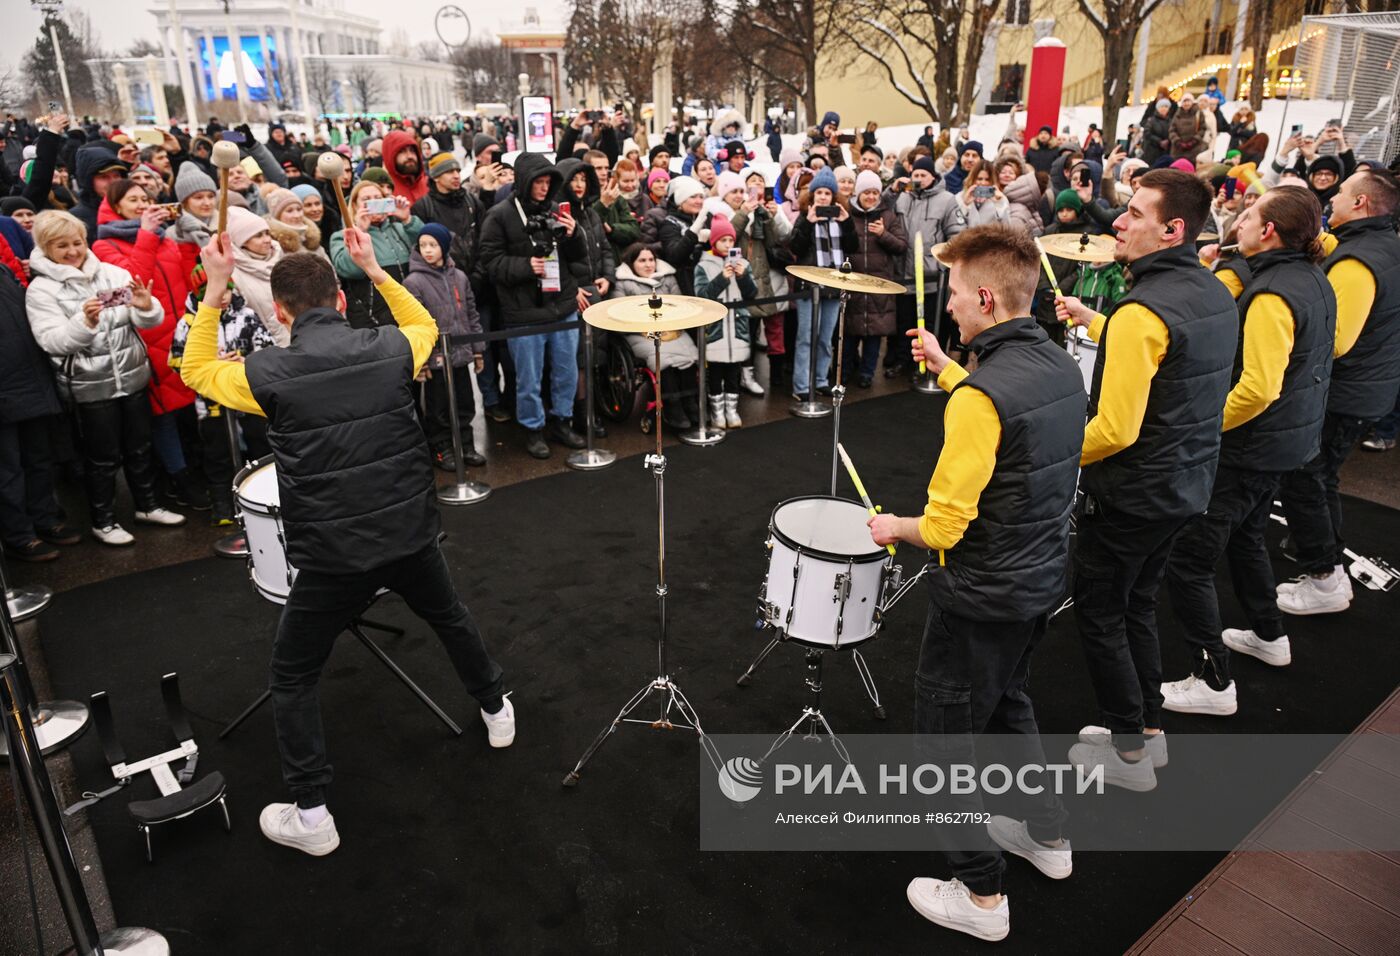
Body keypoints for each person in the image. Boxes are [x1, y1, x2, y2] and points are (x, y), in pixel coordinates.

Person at [179, 229, 511, 856]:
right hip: (408, 532)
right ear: (339, 299)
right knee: (449, 617)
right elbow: (427, 329)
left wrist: (217, 287)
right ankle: (496, 707)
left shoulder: (265, 372)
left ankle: (312, 816)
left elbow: (195, 369)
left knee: (293, 673)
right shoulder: (391, 347)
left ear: (279, 311)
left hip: (333, 554)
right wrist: (377, 272)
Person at [868, 224, 1083, 945]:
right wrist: (950, 368)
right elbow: (1012, 425)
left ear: (985, 296)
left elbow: (946, 527)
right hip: (1039, 579)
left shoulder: (980, 400)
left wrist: (895, 526)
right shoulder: (1058, 363)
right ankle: (1046, 836)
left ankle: (982, 895)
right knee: (1009, 706)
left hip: (981, 593)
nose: (949, 307)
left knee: (943, 744)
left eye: (956, 294)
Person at [1053, 170, 1238, 790]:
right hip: (1185, 487)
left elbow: (1114, 430)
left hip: (1133, 492)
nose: (1118, 223)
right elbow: (1171, 359)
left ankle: (1129, 753)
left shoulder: (1143, 310)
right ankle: (1145, 730)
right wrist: (1093, 320)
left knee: (1103, 613)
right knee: (1137, 604)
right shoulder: (1213, 291)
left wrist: (1047, 457)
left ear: (1172, 229)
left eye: (1134, 213)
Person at [1159, 187, 1335, 715]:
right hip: (1286, 443)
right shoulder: (1310, 278)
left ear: (1270, 231)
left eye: (1250, 215)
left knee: (1189, 561)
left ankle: (1213, 684)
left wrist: (1206, 427)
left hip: (1251, 449)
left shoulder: (1272, 294)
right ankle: (1268, 633)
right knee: (1246, 538)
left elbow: (1259, 387)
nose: (1240, 221)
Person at [1277, 169, 1400, 614]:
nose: (1331, 198)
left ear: (1362, 204)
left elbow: (1337, 339)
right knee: (1322, 477)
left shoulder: (1356, 263)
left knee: (1305, 478)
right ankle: (1324, 557)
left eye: (1342, 192)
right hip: (1369, 389)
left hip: (1344, 394)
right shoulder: (1382, 244)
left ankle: (1324, 579)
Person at [26, 210, 186, 545]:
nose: (72, 251)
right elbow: (51, 342)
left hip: (132, 376)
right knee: (101, 458)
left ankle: (148, 505)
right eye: (62, 246)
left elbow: (146, 320)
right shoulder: (41, 290)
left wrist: (146, 306)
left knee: (140, 448)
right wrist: (83, 323)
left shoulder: (112, 273)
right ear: (45, 247)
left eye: (77, 243)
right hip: (89, 387)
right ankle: (104, 520)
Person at [90, 178, 206, 510]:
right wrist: (145, 234)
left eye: (145, 198)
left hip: (180, 335)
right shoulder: (104, 246)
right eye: (132, 200)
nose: (142, 204)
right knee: (163, 416)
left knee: (189, 411)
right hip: (147, 339)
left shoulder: (163, 238)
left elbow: (186, 279)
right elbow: (131, 287)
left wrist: (185, 237)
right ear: (114, 207)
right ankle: (179, 480)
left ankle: (195, 471)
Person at [478, 153, 589, 459]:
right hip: (523, 312)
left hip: (561, 304)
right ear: (525, 182)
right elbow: (489, 262)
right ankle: (533, 429)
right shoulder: (499, 215)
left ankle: (562, 422)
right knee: (528, 378)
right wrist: (527, 266)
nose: (543, 188)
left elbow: (578, 257)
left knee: (565, 372)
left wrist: (573, 233)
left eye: (547, 182)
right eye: (538, 182)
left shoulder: (556, 210)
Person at [167, 263, 276, 525]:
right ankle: (223, 506)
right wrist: (210, 363)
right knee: (217, 456)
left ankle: (263, 502)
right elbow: (176, 360)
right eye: (212, 291)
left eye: (227, 290)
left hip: (247, 401)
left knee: (260, 449)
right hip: (212, 405)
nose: (223, 296)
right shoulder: (188, 323)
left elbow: (267, 348)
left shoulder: (246, 315)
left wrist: (245, 361)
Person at [0, 247, 79, 561]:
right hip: (6, 388)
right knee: (8, 470)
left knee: (39, 459)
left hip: (29, 383)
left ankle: (45, 519)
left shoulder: (4, 272)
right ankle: (20, 535)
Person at [403, 223, 487, 471]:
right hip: (436, 359)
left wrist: (477, 349)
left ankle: (466, 445)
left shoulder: (459, 277)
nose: (427, 250)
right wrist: (422, 361)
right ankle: (442, 449)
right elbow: (413, 324)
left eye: (433, 245)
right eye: (423, 245)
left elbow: (471, 313)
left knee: (465, 403)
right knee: (437, 409)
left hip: (460, 354)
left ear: (444, 247)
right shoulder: (413, 282)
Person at [886, 156, 966, 371]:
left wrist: (940, 260)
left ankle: (927, 366)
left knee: (929, 325)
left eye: (923, 175)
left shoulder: (947, 200)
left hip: (931, 277)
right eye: (915, 175)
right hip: (903, 273)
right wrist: (892, 190)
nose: (919, 179)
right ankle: (904, 362)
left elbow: (958, 235)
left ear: (933, 176)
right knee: (904, 324)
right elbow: (881, 209)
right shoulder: (902, 198)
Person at [787, 167, 856, 401]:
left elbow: (853, 247)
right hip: (809, 288)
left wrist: (846, 223)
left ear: (834, 196)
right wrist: (808, 222)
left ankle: (820, 380)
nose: (824, 197)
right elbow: (795, 248)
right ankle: (801, 385)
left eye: (828, 193)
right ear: (813, 195)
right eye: (820, 193)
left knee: (827, 337)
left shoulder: (840, 217)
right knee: (806, 337)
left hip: (834, 287)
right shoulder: (804, 216)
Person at [614, 243, 699, 430]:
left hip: (671, 328)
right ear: (631, 263)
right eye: (642, 260)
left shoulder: (667, 278)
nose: (648, 264)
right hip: (639, 333)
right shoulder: (622, 283)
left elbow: (679, 303)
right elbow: (620, 313)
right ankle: (672, 406)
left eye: (651, 260)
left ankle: (690, 402)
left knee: (689, 356)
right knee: (664, 359)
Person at [843, 170, 907, 387]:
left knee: (874, 334)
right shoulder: (848, 214)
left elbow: (901, 246)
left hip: (878, 284)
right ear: (858, 193)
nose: (870, 197)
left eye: (874, 193)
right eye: (866, 192)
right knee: (850, 331)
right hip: (853, 283)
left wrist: (883, 235)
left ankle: (867, 374)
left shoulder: (888, 215)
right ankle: (845, 371)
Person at [693, 215, 758, 428]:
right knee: (715, 373)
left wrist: (742, 277)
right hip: (716, 330)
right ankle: (717, 412)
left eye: (731, 240)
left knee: (733, 372)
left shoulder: (744, 265)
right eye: (723, 240)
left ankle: (732, 410)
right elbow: (702, 295)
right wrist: (722, 278)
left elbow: (752, 294)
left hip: (737, 328)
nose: (728, 245)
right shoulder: (703, 266)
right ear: (714, 242)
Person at [329, 181, 423, 329]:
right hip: (371, 318)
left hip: (409, 310)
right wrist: (360, 231)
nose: (373, 203)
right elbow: (348, 270)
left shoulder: (399, 228)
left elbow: (428, 250)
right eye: (366, 200)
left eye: (378, 198)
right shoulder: (341, 236)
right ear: (354, 206)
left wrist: (407, 220)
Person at [411, 152, 486, 278]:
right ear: (436, 177)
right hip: (444, 280)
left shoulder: (472, 202)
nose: (456, 176)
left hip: (479, 279)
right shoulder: (423, 207)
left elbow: (485, 239)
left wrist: (479, 274)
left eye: (457, 171)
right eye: (450, 172)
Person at [265, 188, 326, 259]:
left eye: (299, 209)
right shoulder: (272, 246)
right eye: (289, 211)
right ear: (277, 216)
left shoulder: (311, 240)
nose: (297, 215)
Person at [956, 161, 1011, 227]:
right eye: (979, 179)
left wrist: (999, 204)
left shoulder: (1001, 199)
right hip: (966, 236)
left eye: (987, 179)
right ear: (972, 178)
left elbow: (1007, 227)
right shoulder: (960, 197)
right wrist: (965, 205)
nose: (983, 183)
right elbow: (954, 225)